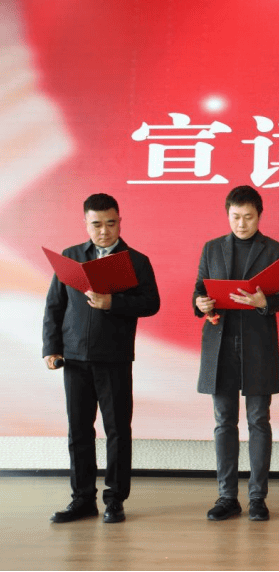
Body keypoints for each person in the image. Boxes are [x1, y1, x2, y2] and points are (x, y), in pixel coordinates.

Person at [42, 193, 160, 524]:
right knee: (79, 431)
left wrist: (114, 303)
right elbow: (55, 305)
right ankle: (82, 499)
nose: (104, 231)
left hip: (114, 358)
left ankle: (115, 500)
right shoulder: (71, 257)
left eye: (110, 223)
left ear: (120, 222)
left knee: (117, 431)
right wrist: (51, 347)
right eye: (96, 224)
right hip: (74, 358)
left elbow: (151, 303)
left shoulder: (136, 261)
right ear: (85, 223)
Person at [193, 185, 279, 522]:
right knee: (224, 422)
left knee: (258, 421)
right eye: (235, 217)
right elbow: (199, 290)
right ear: (227, 215)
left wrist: (265, 302)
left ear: (259, 216)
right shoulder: (211, 248)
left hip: (258, 345)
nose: (241, 223)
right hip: (219, 344)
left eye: (248, 217)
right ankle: (227, 497)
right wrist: (201, 303)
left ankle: (258, 498)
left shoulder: (275, 250)